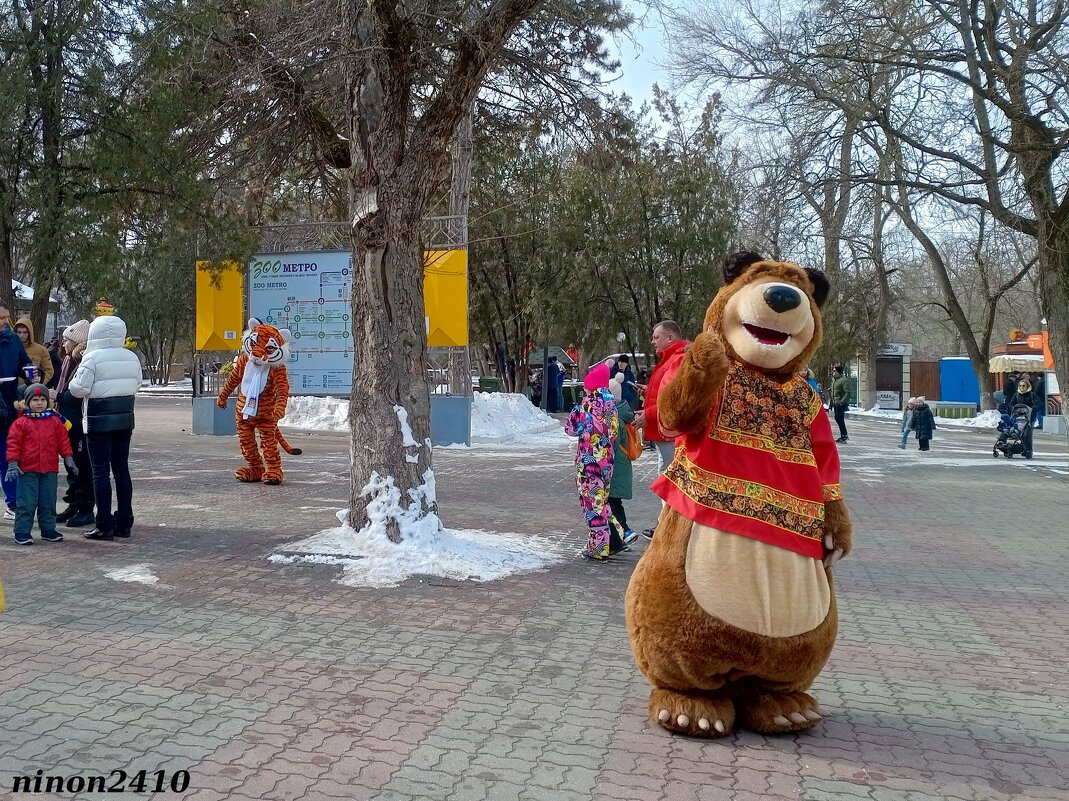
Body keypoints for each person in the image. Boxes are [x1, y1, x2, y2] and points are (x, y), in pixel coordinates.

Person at [68, 315, 142, 541]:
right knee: (122, 470)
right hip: (124, 419)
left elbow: (78, 389)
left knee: (100, 472)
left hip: (98, 420)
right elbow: (137, 384)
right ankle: (125, 521)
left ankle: (104, 524)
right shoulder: (131, 357)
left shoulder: (91, 359)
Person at [633, 320, 690, 540]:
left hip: (670, 432)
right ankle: (665, 526)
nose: (653, 341)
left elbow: (675, 399)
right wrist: (648, 391)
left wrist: (647, 414)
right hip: (664, 431)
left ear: (670, 338)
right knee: (666, 477)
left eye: (657, 337)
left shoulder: (679, 359)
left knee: (670, 481)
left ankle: (668, 530)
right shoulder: (670, 359)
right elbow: (666, 392)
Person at [6, 383, 76, 545]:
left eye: (43, 399)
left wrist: (68, 457)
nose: (39, 403)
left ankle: (48, 529)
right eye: (35, 399)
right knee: (27, 503)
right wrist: (12, 463)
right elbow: (13, 444)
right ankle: (22, 531)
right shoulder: (21, 422)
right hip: (27, 471)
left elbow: (63, 441)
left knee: (48, 502)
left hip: (49, 470)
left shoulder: (54, 421)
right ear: (27, 402)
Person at [564, 361, 619, 561]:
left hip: (589, 464)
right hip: (607, 462)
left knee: (592, 504)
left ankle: (599, 548)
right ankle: (617, 537)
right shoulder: (612, 406)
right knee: (602, 501)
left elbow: (570, 429)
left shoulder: (585, 406)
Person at [54, 320, 95, 527]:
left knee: (82, 466)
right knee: (71, 464)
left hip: (79, 422)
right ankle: (75, 504)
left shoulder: (83, 361)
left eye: (67, 340)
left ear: (78, 342)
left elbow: (76, 394)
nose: (63, 344)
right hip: (68, 421)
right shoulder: (69, 361)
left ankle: (86, 507)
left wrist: (58, 397)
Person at [0, 300, 35, 520]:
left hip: (8, 407)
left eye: (6, 317)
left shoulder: (12, 340)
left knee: (8, 456)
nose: (5, 322)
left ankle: (12, 504)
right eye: (1, 318)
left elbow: (25, 363)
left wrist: (32, 373)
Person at [607, 374, 638, 553]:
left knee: (611, 504)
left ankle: (624, 533)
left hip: (615, 469)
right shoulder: (623, 413)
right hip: (621, 467)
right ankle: (620, 537)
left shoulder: (615, 418)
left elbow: (610, 445)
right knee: (614, 503)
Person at [14, 318, 55, 388]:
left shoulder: (41, 350)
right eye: (19, 332)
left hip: (31, 391)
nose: (21, 335)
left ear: (29, 333)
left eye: (25, 332)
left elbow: (49, 371)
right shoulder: (9, 349)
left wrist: (39, 383)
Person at [829, 364, 850, 443]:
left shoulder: (844, 381)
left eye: (834, 370)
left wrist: (842, 402)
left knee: (839, 419)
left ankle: (844, 436)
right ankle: (843, 435)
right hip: (835, 402)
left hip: (840, 403)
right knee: (838, 418)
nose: (833, 372)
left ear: (839, 371)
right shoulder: (834, 380)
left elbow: (848, 392)